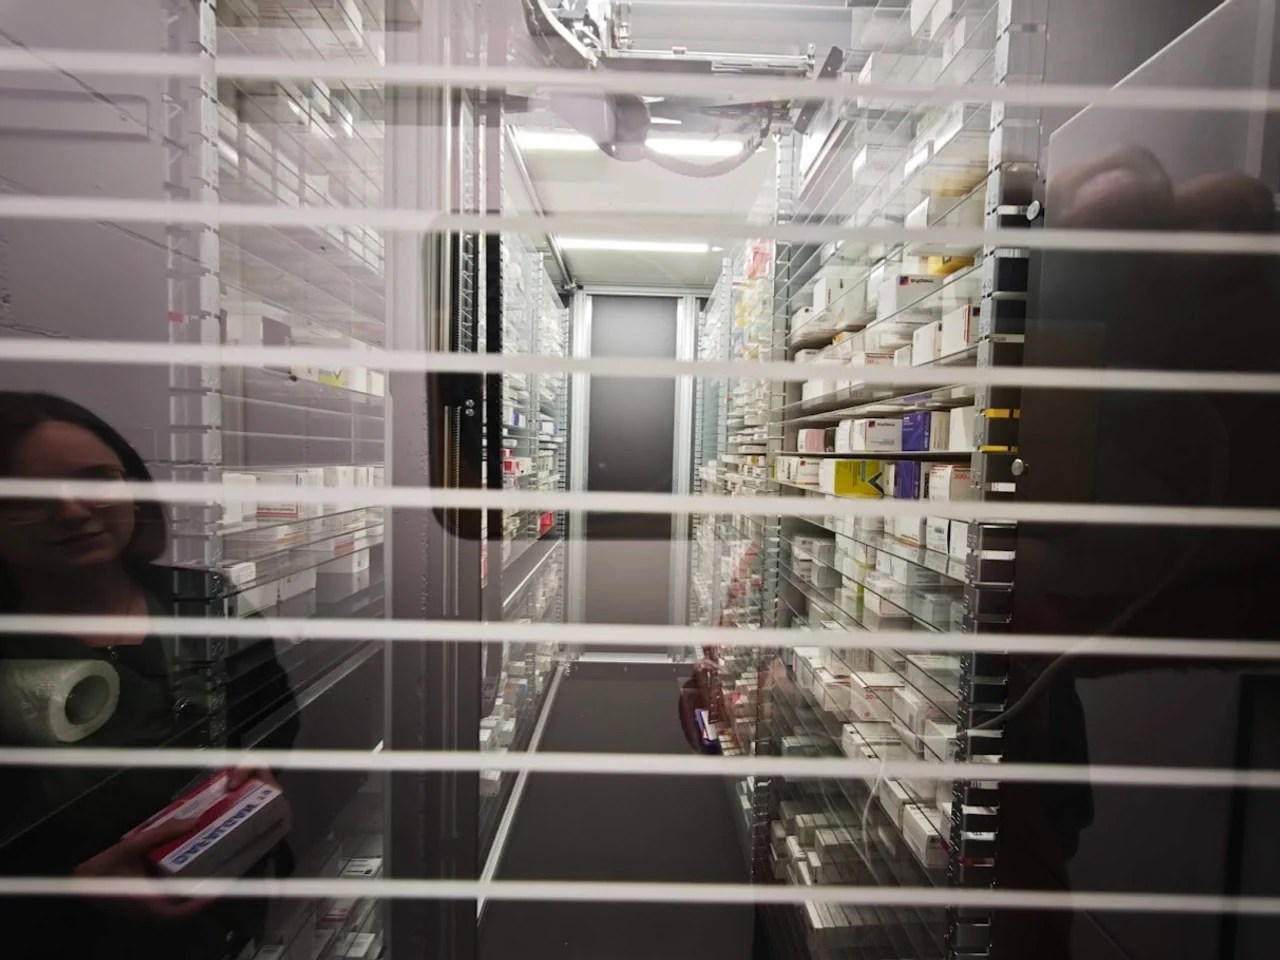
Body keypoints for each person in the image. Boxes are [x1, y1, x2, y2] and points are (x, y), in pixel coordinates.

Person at [0, 392, 297, 960]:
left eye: (97, 479)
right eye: (25, 497)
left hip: (221, 919)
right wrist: (62, 893)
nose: (72, 510)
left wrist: (254, 769)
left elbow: (275, 717)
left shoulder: (200, 600)